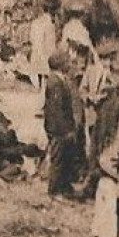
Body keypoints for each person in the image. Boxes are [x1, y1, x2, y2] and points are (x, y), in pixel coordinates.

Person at [42, 50, 86, 198]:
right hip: (58, 129)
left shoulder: (60, 80)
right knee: (58, 159)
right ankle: (54, 191)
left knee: (66, 157)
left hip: (63, 128)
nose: (70, 64)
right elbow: (56, 111)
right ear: (60, 64)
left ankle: (64, 187)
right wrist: (65, 130)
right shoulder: (55, 82)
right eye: (67, 61)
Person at [26, 0, 61, 90]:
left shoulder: (36, 22)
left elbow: (33, 42)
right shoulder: (49, 24)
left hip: (37, 63)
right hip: (44, 63)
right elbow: (48, 48)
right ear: (52, 10)